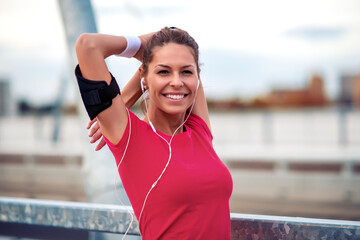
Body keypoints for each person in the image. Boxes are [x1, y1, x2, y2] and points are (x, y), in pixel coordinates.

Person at [75, 27, 233, 240]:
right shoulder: (131, 137)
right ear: (144, 77)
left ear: (196, 76)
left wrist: (128, 96)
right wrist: (140, 46)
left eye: (186, 72)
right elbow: (88, 46)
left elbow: (178, 32)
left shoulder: (199, 130)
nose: (177, 82)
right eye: (163, 72)